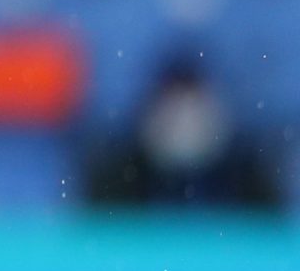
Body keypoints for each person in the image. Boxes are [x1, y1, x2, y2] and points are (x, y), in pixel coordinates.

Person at [80, 47, 284, 212]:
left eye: (194, 113)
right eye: (174, 117)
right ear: (149, 117)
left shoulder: (249, 179)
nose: (185, 128)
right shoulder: (115, 180)